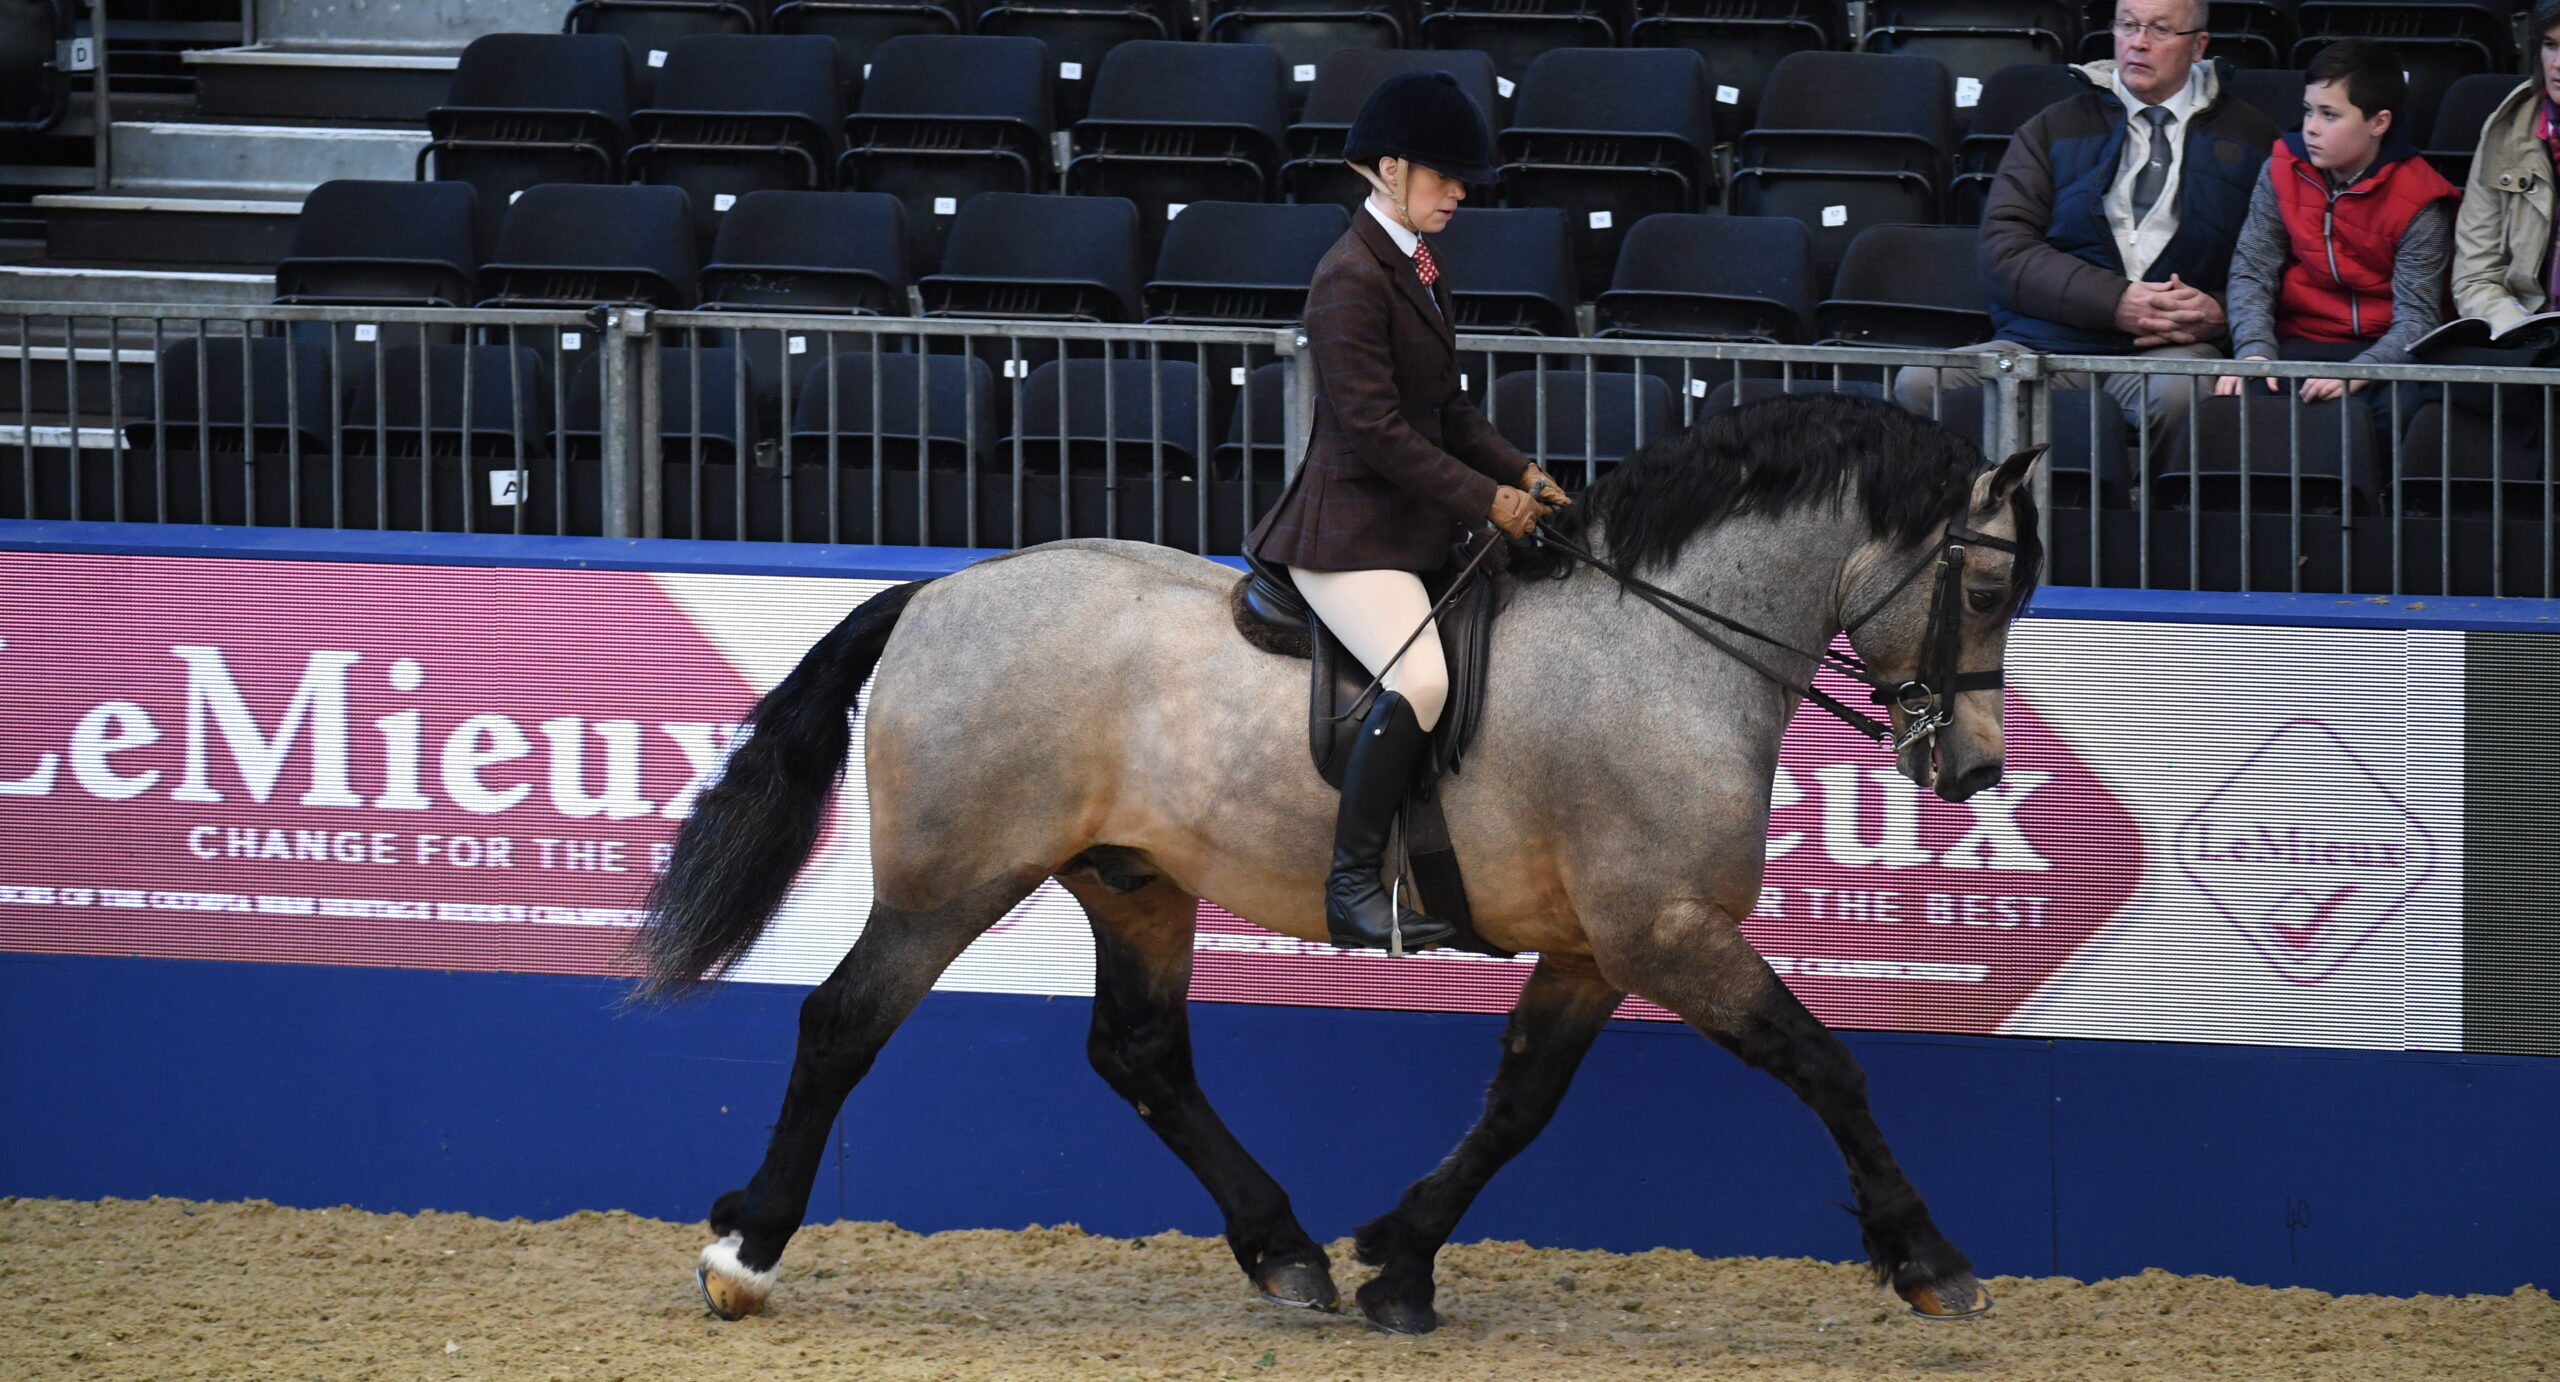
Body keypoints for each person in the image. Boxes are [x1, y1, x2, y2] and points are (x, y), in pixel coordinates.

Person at [1243, 71, 1570, 954]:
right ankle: (1351, 888)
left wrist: (1524, 472)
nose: (1460, 192)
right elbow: (1380, 432)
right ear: (1388, 169)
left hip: (1411, 527)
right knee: (1422, 679)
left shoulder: (1419, 265)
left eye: (1462, 180)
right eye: (1443, 176)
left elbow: (1448, 410)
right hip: (1347, 535)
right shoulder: (1348, 277)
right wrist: (1487, 499)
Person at [1896, 0, 2280, 451]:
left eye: (2159, 29)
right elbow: (2005, 250)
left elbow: (2276, 260)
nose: (2138, 42)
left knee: (2182, 392)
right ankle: (1977, 513)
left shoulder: (2254, 137)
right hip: (2046, 343)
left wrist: (2218, 315)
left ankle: (2149, 518)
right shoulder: (2053, 126)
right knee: (1921, 382)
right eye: (2127, 25)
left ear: (2198, 46)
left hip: (2168, 350)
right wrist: (2115, 301)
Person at [2213, 40, 2456, 401]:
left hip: (2387, 354)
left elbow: (2417, 319)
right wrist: (2255, 352)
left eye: (2329, 115)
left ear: (2378, 123)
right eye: (2308, 111)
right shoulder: (2281, 169)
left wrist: (2361, 371)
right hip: (2299, 341)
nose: (2310, 128)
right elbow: (2252, 270)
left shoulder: (2422, 198)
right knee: (2247, 407)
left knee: (2399, 413)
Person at [2449, 0, 2560, 333]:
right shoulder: (2506, 129)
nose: (2557, 64)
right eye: (2550, 45)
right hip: (2529, 339)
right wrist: (2523, 334)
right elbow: (2475, 275)